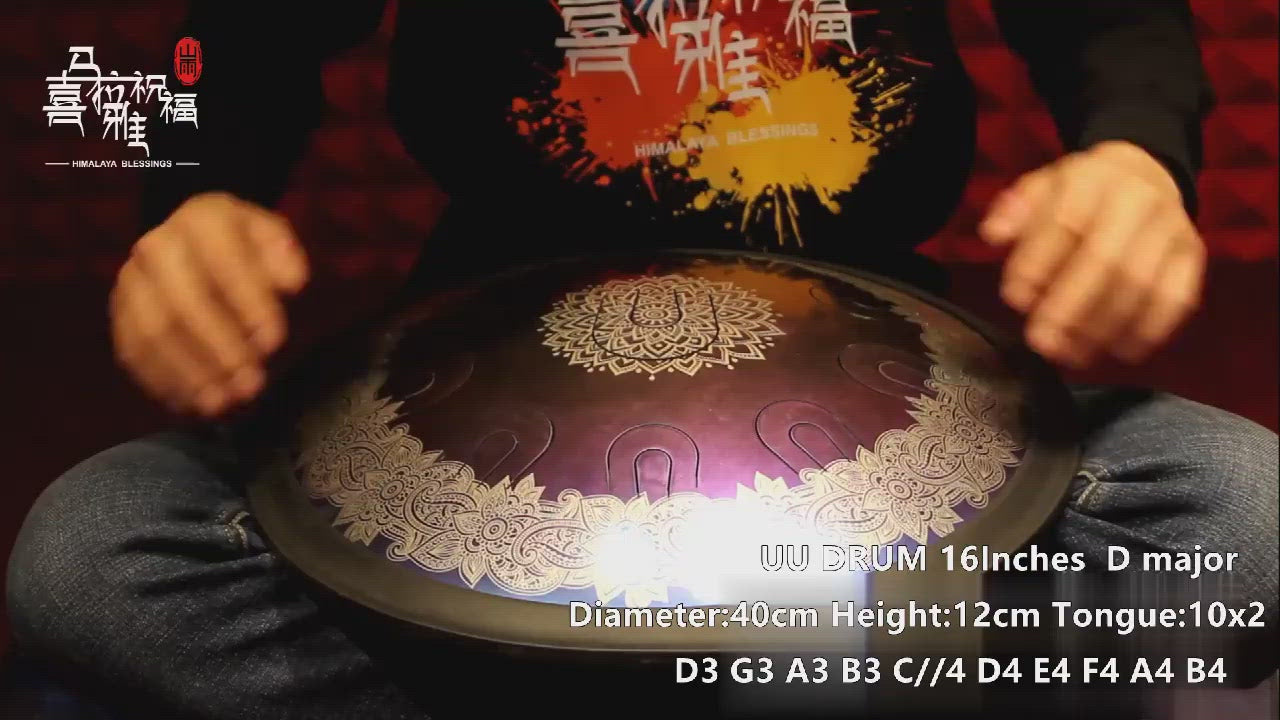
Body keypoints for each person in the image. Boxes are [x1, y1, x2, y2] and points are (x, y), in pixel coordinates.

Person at [7, 2, 1277, 719]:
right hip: (476, 367)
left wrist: (1134, 149)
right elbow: (239, 37)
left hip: (876, 353)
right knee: (91, 554)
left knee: (1246, 514)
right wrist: (195, 193)